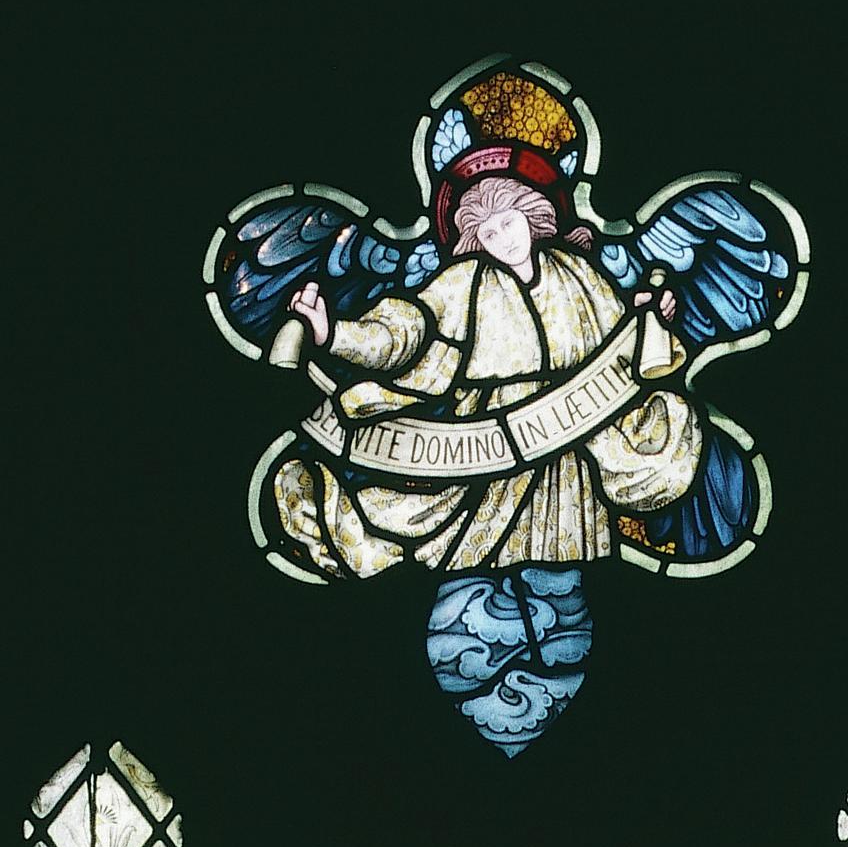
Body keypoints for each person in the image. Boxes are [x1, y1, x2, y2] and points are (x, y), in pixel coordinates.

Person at [270, 164, 700, 582]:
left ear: (531, 217)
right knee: (471, 565)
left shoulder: (579, 273)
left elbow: (622, 342)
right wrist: (333, 334)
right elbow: (403, 331)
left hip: (576, 439)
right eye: (489, 233)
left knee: (566, 573)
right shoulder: (463, 282)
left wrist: (650, 317)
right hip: (489, 444)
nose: (503, 240)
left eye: (509, 223)